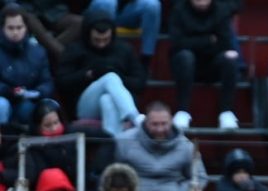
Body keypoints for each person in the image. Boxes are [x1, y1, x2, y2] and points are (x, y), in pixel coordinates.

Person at [55, 6, 145, 136]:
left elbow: (139, 83)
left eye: (105, 40)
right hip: (84, 106)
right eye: (97, 40)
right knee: (110, 77)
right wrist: (89, 74)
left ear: (112, 34)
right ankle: (135, 117)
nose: (101, 44)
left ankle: (113, 143)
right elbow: (62, 82)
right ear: (88, 34)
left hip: (117, 102)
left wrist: (120, 78)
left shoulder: (124, 50)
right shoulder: (75, 50)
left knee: (107, 99)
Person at [167, 0, 241, 131]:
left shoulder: (222, 10)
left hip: (212, 65)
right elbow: (177, 43)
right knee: (185, 56)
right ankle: (182, 111)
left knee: (230, 59)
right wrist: (208, 40)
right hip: (185, 66)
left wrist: (193, 42)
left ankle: (226, 113)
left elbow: (224, 43)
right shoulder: (178, 10)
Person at [114, 100, 208, 191]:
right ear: (146, 122)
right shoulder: (124, 141)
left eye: (164, 124)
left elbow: (200, 178)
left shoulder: (186, 147)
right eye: (154, 124)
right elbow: (112, 174)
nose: (160, 129)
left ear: (171, 121)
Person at [21, 97, 114, 191]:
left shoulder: (73, 133)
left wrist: (96, 170)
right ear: (38, 128)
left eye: (56, 123)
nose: (54, 128)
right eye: (47, 126)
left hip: (84, 188)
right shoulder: (33, 146)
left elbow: (107, 138)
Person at [0, 4, 55, 126]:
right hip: (4, 99)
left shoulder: (38, 52)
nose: (15, 32)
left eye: (19, 27)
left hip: (30, 100)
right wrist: (9, 91)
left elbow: (47, 82)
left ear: (26, 28)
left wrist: (38, 92)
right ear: (2, 28)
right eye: (10, 28)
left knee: (45, 106)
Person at [85, 0, 161, 75]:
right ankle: (103, 57)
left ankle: (145, 60)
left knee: (153, 4)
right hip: (104, 8)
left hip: (129, 11)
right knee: (107, 2)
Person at [3, 0, 82, 61]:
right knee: (29, 20)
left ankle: (47, 55)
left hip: (53, 10)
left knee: (79, 22)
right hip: (27, 11)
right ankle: (64, 57)